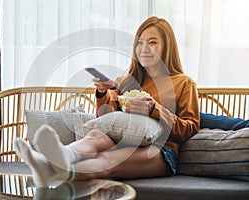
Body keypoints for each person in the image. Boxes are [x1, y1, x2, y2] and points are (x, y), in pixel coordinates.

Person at [13, 16, 200, 188]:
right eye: (140, 43)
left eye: (153, 42)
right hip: (122, 140)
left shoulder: (184, 83)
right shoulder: (128, 81)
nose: (144, 49)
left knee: (108, 161)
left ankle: (51, 172)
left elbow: (190, 128)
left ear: (167, 46)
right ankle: (55, 160)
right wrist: (104, 93)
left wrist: (154, 109)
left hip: (161, 150)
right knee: (95, 134)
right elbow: (108, 119)